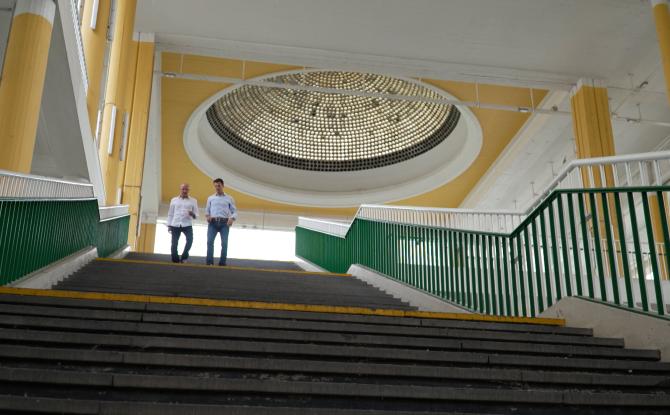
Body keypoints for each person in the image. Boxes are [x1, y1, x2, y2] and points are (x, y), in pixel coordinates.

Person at [205, 178, 238, 266]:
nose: (217, 187)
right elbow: (207, 211)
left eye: (219, 186)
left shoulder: (229, 198)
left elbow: (234, 212)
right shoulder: (210, 198)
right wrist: (208, 216)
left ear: (223, 186)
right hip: (213, 223)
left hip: (224, 223)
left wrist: (232, 219)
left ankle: (222, 262)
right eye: (215, 186)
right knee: (210, 241)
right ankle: (209, 262)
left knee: (224, 243)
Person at [166, 183, 198, 263]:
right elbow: (170, 214)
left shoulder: (193, 201)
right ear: (180, 189)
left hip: (187, 224)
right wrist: (169, 225)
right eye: (183, 189)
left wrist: (192, 214)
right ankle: (175, 260)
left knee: (190, 240)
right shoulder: (174, 200)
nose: (184, 191)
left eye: (186, 189)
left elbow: (196, 215)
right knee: (174, 244)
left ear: (189, 190)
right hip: (175, 224)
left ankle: (184, 257)